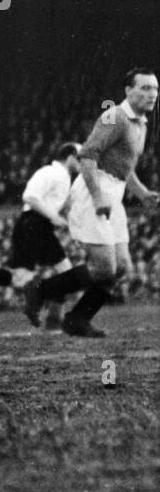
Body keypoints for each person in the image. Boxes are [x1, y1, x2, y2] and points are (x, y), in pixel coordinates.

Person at [58, 68, 160, 337]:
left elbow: (126, 168)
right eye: (145, 88)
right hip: (95, 187)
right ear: (128, 90)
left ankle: (77, 318)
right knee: (105, 268)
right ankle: (42, 290)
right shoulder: (114, 116)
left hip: (114, 191)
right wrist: (97, 194)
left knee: (122, 267)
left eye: (155, 89)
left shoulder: (141, 123)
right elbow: (87, 156)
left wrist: (141, 193)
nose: (152, 94)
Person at [0, 142, 89, 329]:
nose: (83, 163)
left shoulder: (64, 177)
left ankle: (53, 320)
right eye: (81, 158)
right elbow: (29, 197)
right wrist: (55, 217)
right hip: (31, 225)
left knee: (66, 273)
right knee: (22, 280)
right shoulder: (50, 172)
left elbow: (56, 203)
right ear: (71, 157)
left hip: (41, 227)